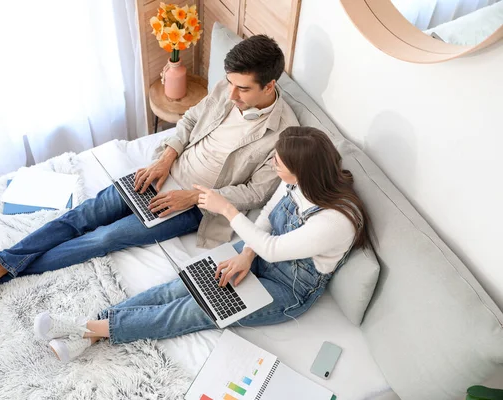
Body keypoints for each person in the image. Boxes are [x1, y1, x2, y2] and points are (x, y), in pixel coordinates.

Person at [0, 34, 299, 307]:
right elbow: (188, 122)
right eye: (230, 85)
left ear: (269, 86)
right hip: (164, 172)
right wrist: (165, 159)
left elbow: (254, 193)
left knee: (104, 239)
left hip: (194, 206)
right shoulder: (227, 87)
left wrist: (192, 197)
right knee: (83, 215)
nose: (231, 96)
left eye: (243, 90)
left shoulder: (283, 136)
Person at [30, 126, 372, 363]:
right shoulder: (301, 183)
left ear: (303, 170)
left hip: (287, 288)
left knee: (190, 311)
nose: (272, 165)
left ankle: (85, 330)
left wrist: (226, 209)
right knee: (177, 287)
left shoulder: (334, 221)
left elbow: (272, 248)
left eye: (277, 164)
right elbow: (268, 214)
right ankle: (89, 334)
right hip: (257, 253)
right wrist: (245, 255)